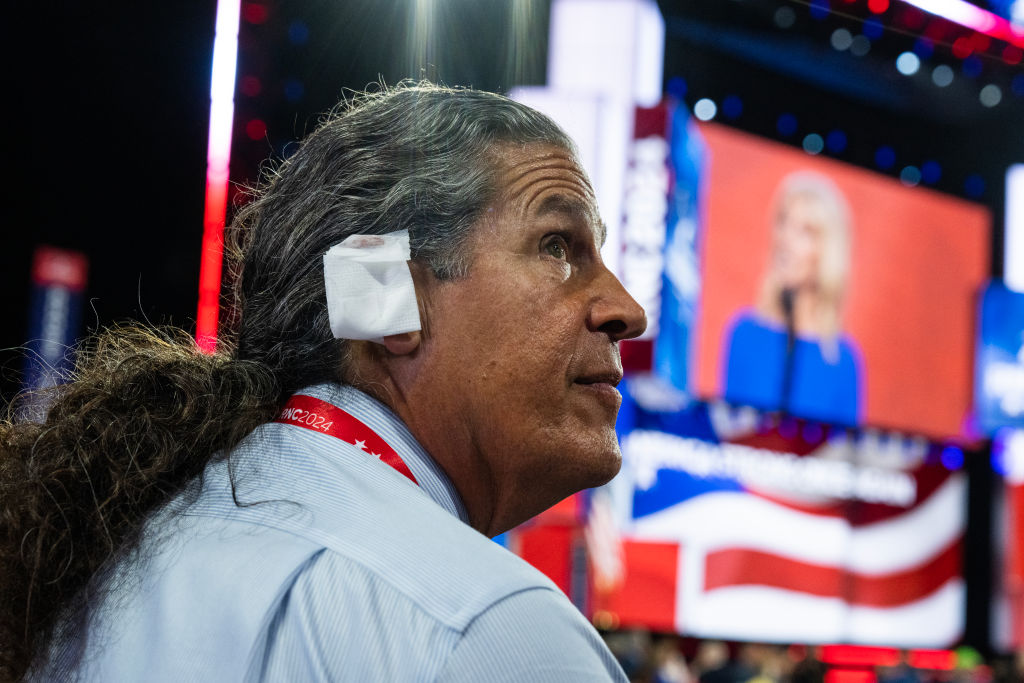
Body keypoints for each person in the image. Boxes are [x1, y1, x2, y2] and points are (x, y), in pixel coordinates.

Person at [0, 82, 645, 681]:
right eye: (558, 246)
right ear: (389, 299)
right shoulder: (485, 631)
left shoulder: (99, 569)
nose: (627, 311)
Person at [722, 170, 862, 426]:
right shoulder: (745, 333)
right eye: (784, 222)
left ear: (827, 250)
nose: (786, 239)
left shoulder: (843, 361)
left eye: (805, 232)